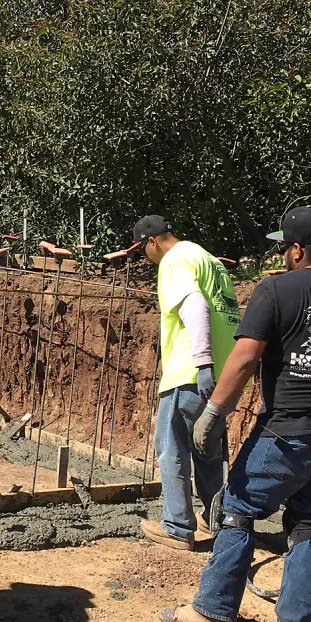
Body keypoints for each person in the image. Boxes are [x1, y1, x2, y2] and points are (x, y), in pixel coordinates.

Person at [159, 206, 311, 622]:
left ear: (299, 249)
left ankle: (214, 609)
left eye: (285, 247)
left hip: (290, 434)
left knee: (236, 509)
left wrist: (214, 412)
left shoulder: (277, 290)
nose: (283, 254)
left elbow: (245, 358)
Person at [131, 215, 240, 549]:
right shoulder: (208, 260)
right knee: (206, 450)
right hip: (225, 377)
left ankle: (177, 525)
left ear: (152, 241)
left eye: (142, 250)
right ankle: (217, 520)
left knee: (171, 446)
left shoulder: (175, 260)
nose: (144, 258)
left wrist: (202, 363)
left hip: (190, 375)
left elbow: (195, 306)